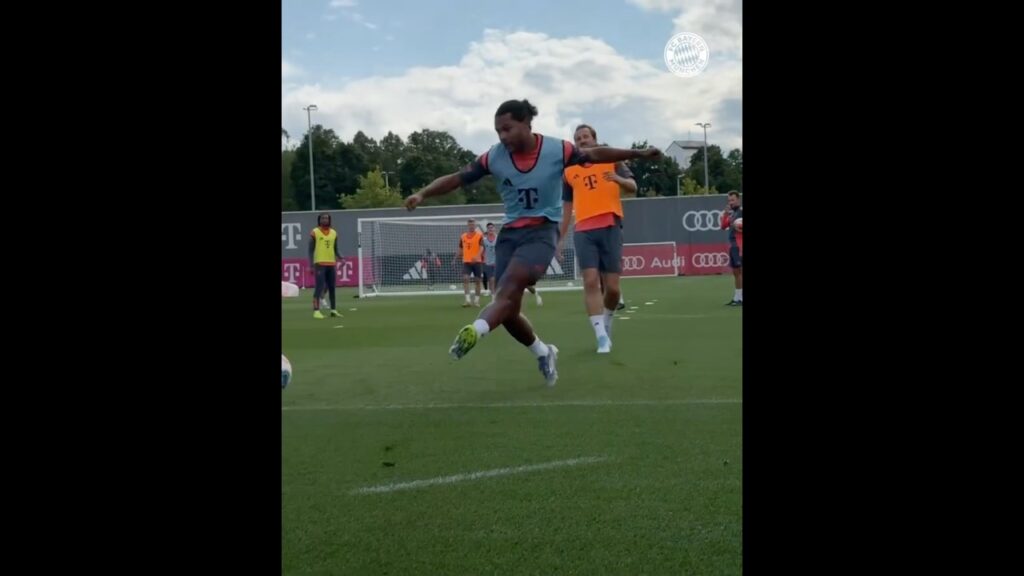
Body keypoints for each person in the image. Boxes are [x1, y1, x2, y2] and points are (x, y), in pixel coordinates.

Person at [403, 99, 661, 385]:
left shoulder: (556, 149)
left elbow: (596, 154)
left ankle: (476, 329)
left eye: (507, 129)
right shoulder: (494, 157)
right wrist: (422, 194)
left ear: (527, 124)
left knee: (508, 290)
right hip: (510, 235)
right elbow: (458, 178)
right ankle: (542, 351)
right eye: (498, 131)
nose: (502, 136)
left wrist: (638, 153)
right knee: (508, 308)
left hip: (541, 234)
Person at [557, 124, 636, 353]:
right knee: (590, 281)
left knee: (612, 289)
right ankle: (601, 335)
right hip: (583, 230)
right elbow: (566, 207)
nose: (582, 140)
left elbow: (633, 186)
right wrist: (560, 239)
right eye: (578, 138)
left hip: (610, 225)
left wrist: (618, 180)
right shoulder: (569, 170)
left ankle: (608, 319)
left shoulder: (612, 159)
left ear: (595, 139)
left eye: (585, 137)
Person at [308, 212, 343, 319]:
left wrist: (341, 257)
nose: (325, 220)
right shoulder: (315, 232)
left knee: (332, 288)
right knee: (319, 287)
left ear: (329, 220)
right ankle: (316, 311)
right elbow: (310, 250)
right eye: (323, 218)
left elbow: (335, 249)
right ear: (319, 220)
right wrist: (311, 265)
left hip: (331, 263)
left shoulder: (334, 233)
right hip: (319, 263)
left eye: (327, 218)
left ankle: (333, 310)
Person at [720, 190, 743, 306]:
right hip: (733, 245)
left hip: (740, 245)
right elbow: (723, 226)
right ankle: (737, 297)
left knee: (740, 271)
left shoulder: (741, 212)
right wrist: (725, 213)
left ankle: (740, 298)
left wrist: (738, 228)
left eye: (733, 200)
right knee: (736, 272)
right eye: (729, 200)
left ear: (738, 199)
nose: (731, 202)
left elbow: (739, 228)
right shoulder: (731, 213)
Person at [459, 219, 485, 307]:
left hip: (477, 262)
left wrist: (477, 256)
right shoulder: (463, 236)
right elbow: (461, 248)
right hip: (467, 261)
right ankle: (467, 300)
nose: (471, 226)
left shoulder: (479, 235)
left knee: (478, 281)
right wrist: (458, 256)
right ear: (468, 225)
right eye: (470, 224)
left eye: (473, 224)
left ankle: (476, 301)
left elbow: (482, 248)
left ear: (475, 225)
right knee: (465, 278)